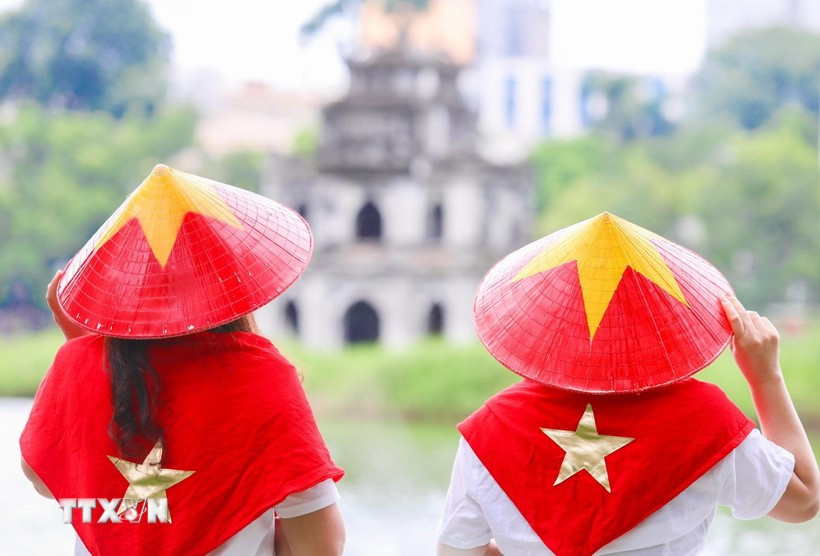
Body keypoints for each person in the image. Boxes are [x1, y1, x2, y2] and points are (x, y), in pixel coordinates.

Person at [437, 212, 819, 556]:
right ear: (664, 323)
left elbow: (455, 552)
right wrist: (765, 377)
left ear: (548, 323)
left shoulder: (491, 428)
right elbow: (804, 501)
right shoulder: (703, 419)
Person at [20, 164, 346, 555]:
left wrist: (88, 351)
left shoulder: (75, 364)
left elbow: (43, 477)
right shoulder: (263, 379)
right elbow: (322, 545)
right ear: (229, 275)